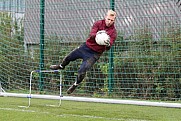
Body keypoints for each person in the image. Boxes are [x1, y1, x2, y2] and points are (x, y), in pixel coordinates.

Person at [50, 10, 117, 94]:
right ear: (105, 17)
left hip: (94, 54)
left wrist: (107, 44)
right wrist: (98, 35)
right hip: (85, 47)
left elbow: (108, 47)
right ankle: (61, 66)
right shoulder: (98, 23)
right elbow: (91, 34)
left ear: (114, 20)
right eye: (108, 19)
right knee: (69, 57)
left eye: (112, 20)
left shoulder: (113, 32)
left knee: (82, 70)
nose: (109, 22)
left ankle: (75, 84)